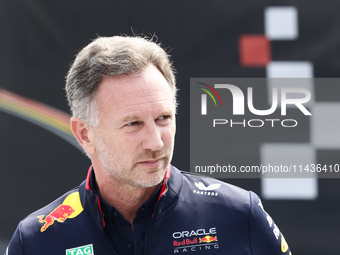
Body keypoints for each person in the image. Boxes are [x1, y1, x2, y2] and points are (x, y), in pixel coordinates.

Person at [6, 35, 291, 255]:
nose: (155, 142)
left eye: (163, 118)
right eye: (133, 124)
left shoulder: (239, 214)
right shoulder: (36, 240)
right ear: (84, 134)